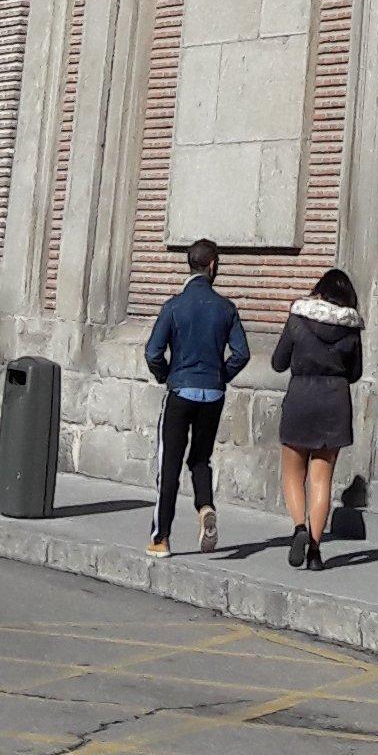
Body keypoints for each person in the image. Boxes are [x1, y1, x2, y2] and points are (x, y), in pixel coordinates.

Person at [143, 237, 249, 556]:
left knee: (170, 465)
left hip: (180, 391)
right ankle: (205, 507)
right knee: (201, 458)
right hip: (212, 394)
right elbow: (241, 353)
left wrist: (166, 375)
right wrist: (220, 375)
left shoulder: (174, 307)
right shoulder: (226, 308)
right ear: (213, 266)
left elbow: (153, 352)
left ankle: (161, 538)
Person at [270, 266, 362, 571]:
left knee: (293, 473)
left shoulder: (298, 319)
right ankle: (314, 551)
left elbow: (278, 362)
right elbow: (356, 373)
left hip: (301, 398)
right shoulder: (350, 328)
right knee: (322, 479)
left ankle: (299, 527)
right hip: (335, 403)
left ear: (319, 291)